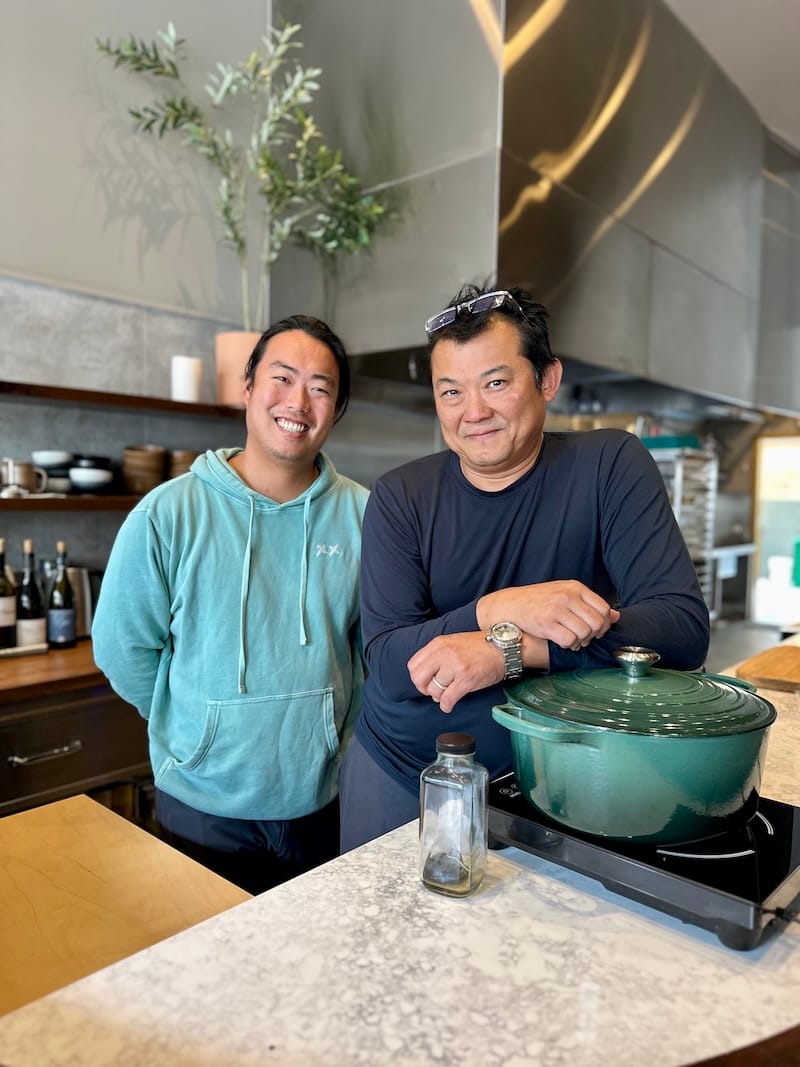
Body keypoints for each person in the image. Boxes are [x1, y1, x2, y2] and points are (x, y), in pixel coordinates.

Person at [340, 284, 710, 851]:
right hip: (401, 774)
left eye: (496, 382)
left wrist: (507, 650)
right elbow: (389, 665)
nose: (474, 412)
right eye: (451, 392)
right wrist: (499, 608)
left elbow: (681, 631)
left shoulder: (608, 465)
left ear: (547, 380)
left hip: (563, 783)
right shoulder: (400, 496)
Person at [93, 315, 369, 893]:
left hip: (321, 796)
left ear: (336, 411)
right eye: (282, 378)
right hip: (201, 802)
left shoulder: (365, 516)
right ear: (247, 387)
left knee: (310, 969)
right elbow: (123, 649)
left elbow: (373, 652)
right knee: (207, 973)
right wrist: (196, 733)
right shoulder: (169, 513)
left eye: (321, 388)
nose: (299, 401)